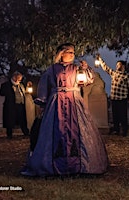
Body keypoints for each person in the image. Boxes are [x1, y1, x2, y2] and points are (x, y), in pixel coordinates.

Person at [20, 43, 108, 176]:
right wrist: (43, 102)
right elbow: (44, 86)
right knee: (56, 129)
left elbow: (88, 79)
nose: (73, 55)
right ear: (62, 53)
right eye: (70, 52)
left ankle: (82, 164)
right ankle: (51, 164)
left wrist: (85, 68)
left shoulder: (77, 69)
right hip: (56, 103)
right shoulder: (51, 70)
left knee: (78, 130)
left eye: (73, 52)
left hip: (74, 101)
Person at [97, 57, 129, 136]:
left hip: (122, 99)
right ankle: (116, 130)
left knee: (123, 115)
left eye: (119, 65)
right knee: (115, 115)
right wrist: (100, 61)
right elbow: (106, 68)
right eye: (117, 65)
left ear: (123, 66)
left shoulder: (127, 76)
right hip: (114, 99)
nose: (117, 66)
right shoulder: (114, 73)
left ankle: (124, 131)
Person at [0, 71, 29, 139]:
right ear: (14, 77)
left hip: (20, 104)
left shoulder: (21, 85)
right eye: (19, 78)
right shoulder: (6, 85)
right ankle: (9, 134)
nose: (20, 80)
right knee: (10, 120)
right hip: (11, 106)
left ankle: (25, 132)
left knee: (22, 119)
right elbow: (1, 93)